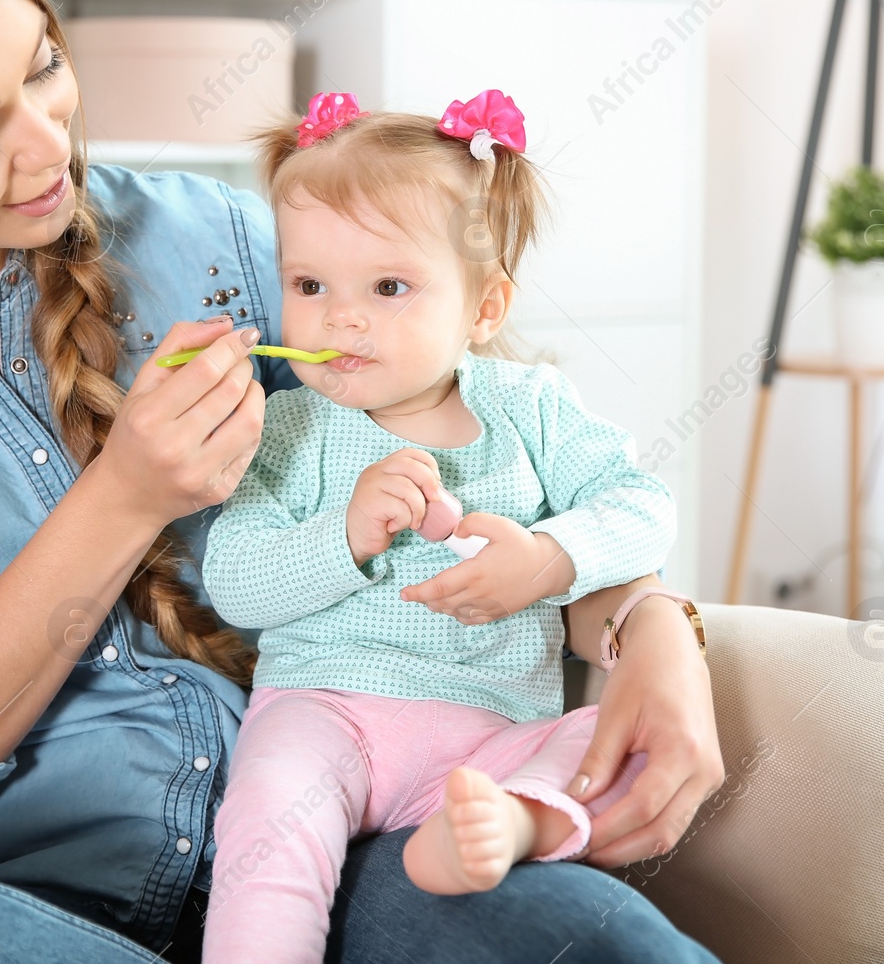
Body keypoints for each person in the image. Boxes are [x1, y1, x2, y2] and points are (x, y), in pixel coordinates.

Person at [0, 0, 726, 961]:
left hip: (354, 845)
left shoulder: (225, 241)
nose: (45, 149)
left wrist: (653, 626)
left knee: (588, 939)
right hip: (28, 914)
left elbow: (511, 457)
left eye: (44, 68)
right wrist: (123, 499)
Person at [197, 91, 699, 964]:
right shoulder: (290, 427)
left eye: (389, 286)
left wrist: (548, 560)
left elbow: (643, 505)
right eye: (310, 285)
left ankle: (508, 825)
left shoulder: (530, 408)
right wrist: (344, 535)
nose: (341, 315)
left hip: (492, 730)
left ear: (485, 308)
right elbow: (235, 584)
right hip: (327, 711)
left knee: (596, 737)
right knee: (268, 822)